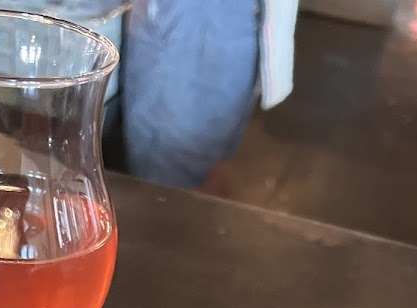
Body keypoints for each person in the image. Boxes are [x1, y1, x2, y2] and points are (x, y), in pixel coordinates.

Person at [121, 0, 300, 191]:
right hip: (211, 28)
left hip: (197, 28)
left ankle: (173, 213)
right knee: (199, 164)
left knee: (173, 170)